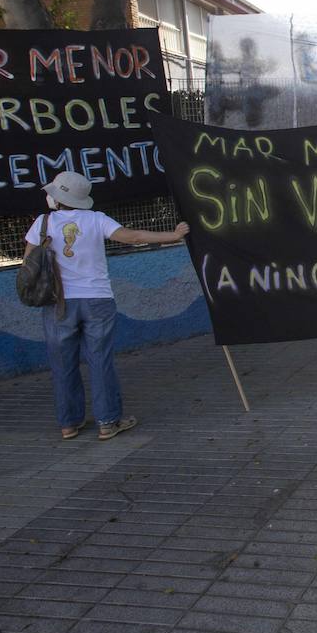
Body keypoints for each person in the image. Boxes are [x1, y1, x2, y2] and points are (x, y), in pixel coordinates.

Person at [26, 171, 189, 441]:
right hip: (97, 300)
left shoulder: (42, 224)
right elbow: (134, 237)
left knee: (62, 363)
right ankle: (108, 421)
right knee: (100, 360)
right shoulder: (96, 220)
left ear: (57, 198)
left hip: (57, 302)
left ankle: (68, 423)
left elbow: (28, 264)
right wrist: (173, 235)